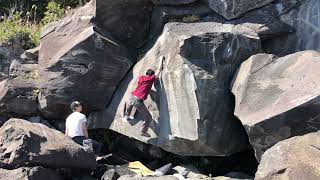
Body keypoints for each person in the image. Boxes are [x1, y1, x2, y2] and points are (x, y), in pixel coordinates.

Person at [124, 56, 165, 137]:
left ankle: (127, 116)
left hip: (132, 96)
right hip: (138, 101)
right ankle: (143, 132)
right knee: (148, 117)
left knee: (130, 104)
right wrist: (161, 60)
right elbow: (159, 70)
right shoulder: (151, 79)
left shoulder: (141, 78)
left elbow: (144, 85)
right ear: (151, 76)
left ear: (146, 74)